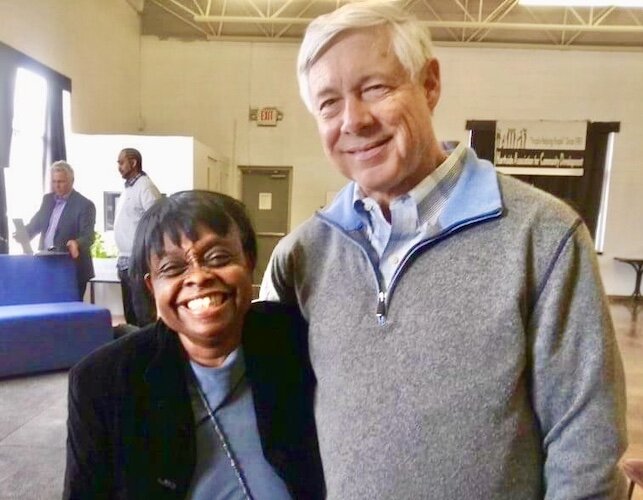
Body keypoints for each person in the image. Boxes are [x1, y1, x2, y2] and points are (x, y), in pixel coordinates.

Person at [260, 2, 627, 498]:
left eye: (375, 88)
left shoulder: (542, 236)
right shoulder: (303, 254)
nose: (354, 120)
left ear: (429, 84)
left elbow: (585, 442)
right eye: (329, 103)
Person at [64, 190, 324, 499]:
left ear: (249, 261)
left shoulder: (296, 341)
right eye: (173, 269)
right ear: (152, 287)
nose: (199, 277)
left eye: (218, 258)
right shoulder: (103, 383)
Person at [22, 160, 95, 299]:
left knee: (70, 312)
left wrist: (76, 243)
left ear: (72, 181)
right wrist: (22, 233)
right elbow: (35, 225)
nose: (57, 185)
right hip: (47, 265)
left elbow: (88, 236)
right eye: (54, 181)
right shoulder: (48, 200)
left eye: (61, 181)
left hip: (71, 268)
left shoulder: (85, 205)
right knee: (48, 306)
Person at [114, 147, 161, 326]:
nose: (118, 167)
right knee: (130, 311)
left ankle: (146, 350)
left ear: (133, 163)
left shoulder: (145, 186)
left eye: (121, 162)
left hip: (138, 260)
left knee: (142, 311)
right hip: (125, 259)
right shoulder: (128, 188)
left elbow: (157, 221)